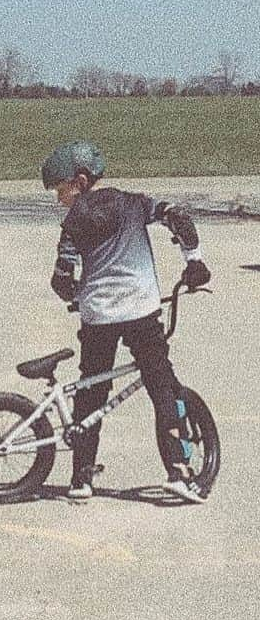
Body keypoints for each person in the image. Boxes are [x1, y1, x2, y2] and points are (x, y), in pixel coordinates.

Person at [40, 140, 211, 505]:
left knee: (91, 390)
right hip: (141, 313)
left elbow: (61, 279)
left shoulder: (72, 223)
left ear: (81, 180)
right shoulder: (136, 203)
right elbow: (178, 216)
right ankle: (179, 473)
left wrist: (75, 297)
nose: (59, 198)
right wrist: (194, 261)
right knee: (162, 385)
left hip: (98, 316)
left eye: (61, 189)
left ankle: (81, 480)